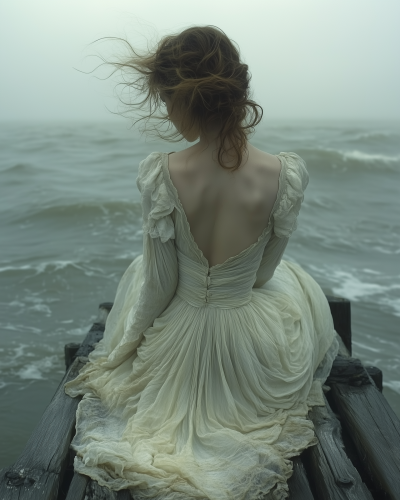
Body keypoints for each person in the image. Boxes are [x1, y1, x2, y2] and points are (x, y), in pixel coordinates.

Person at [64, 25, 339, 500]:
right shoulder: (283, 173)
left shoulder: (164, 171)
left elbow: (160, 284)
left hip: (181, 336)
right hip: (251, 350)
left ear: (190, 98)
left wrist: (123, 348)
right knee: (294, 286)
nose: (167, 112)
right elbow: (264, 275)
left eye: (168, 98)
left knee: (139, 273)